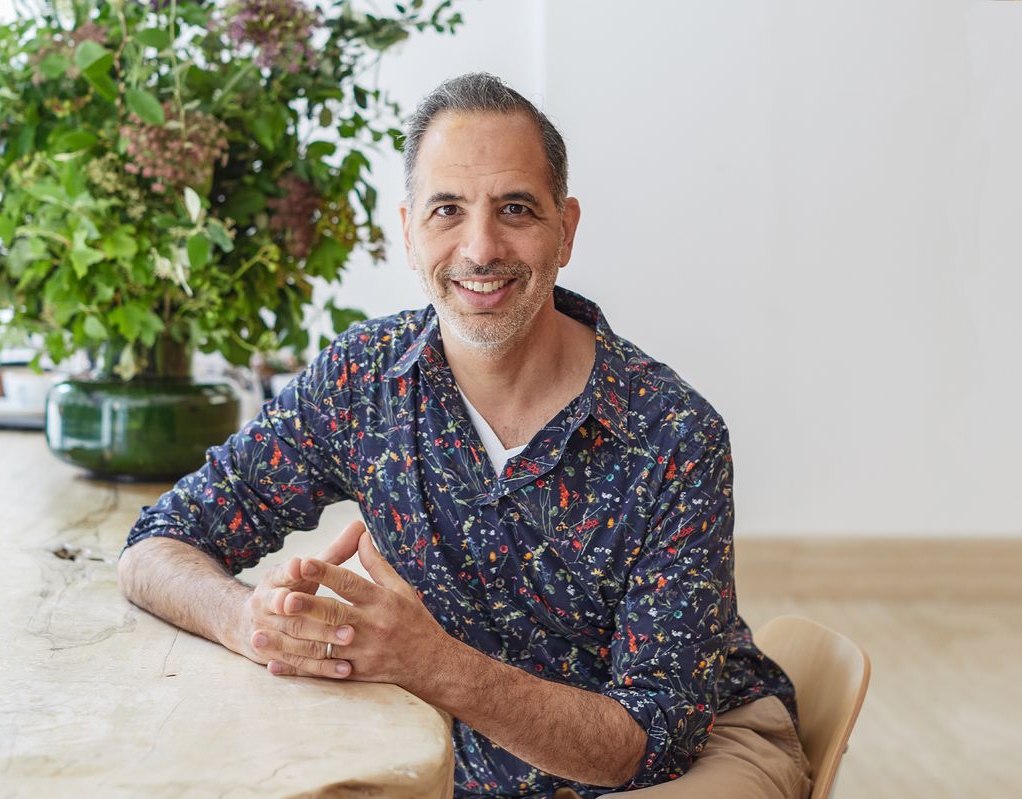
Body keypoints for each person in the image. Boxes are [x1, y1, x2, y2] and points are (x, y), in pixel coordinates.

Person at [120, 73, 812, 799]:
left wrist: (430, 662)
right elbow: (157, 543)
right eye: (447, 209)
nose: (480, 248)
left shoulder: (674, 434)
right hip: (470, 759)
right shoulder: (361, 381)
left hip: (690, 752)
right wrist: (247, 621)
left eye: (515, 208)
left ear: (566, 229)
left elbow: (649, 741)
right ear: (409, 231)